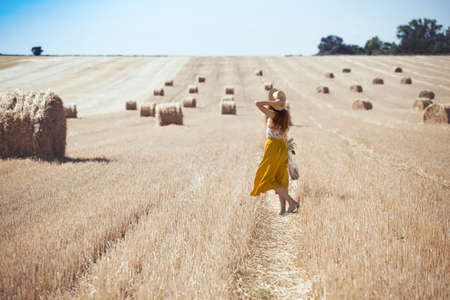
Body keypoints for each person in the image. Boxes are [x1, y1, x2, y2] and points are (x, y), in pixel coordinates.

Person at [250, 89, 299, 215]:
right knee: (280, 177)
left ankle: (292, 202)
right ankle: (283, 210)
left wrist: (272, 102)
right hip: (281, 147)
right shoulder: (285, 114)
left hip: (273, 147)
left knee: (267, 178)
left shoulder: (274, 115)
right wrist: (277, 104)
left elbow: (257, 103)